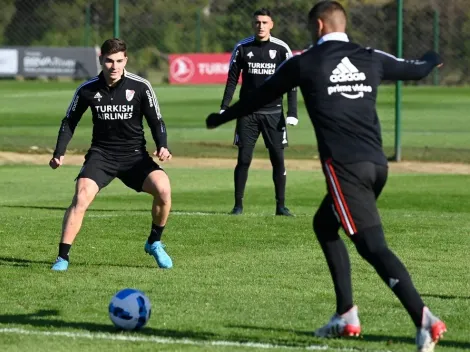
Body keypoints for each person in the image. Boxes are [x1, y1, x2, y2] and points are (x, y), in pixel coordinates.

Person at [206, 1, 446, 351]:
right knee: (323, 224)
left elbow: (259, 96)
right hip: (377, 165)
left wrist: (222, 118)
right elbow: (418, 70)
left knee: (373, 247)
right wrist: (430, 56)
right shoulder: (369, 56)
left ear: (318, 26)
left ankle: (424, 319)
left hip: (345, 169)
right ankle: (346, 314)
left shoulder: (305, 63)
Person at [49, 38, 173, 271]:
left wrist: (162, 145)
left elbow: (156, 120)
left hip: (135, 156)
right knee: (82, 196)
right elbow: (69, 122)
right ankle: (62, 258)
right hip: (102, 155)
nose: (114, 66)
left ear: (125, 60)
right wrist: (59, 152)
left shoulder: (141, 86)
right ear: (101, 60)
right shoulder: (87, 89)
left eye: (119, 61)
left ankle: (154, 243)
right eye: (109, 61)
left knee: (164, 189)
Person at [220, 8, 298, 216]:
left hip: (274, 114)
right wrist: (224, 106)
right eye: (257, 22)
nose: (261, 26)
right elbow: (232, 79)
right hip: (248, 114)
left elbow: (292, 83)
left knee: (278, 159)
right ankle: (238, 206)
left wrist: (293, 112)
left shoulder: (282, 49)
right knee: (244, 159)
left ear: (271, 24)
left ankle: (281, 206)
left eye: (265, 22)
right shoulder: (242, 47)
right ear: (253, 25)